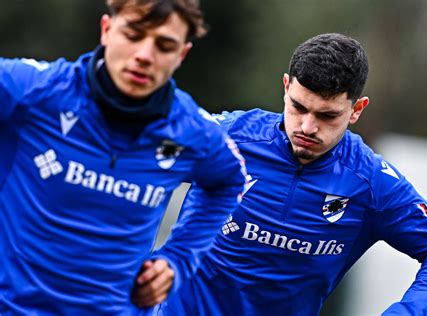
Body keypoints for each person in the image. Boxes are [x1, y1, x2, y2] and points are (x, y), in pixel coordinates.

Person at [149, 33, 427, 315]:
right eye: (299, 107)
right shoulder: (228, 137)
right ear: (286, 87)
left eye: (327, 116)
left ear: (357, 110)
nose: (307, 127)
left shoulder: (371, 183)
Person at [0, 0, 246, 314]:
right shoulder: (31, 91)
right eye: (133, 35)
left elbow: (229, 182)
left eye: (164, 45)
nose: (144, 55)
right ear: (106, 29)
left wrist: (177, 260)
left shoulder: (193, 131)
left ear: (181, 55)